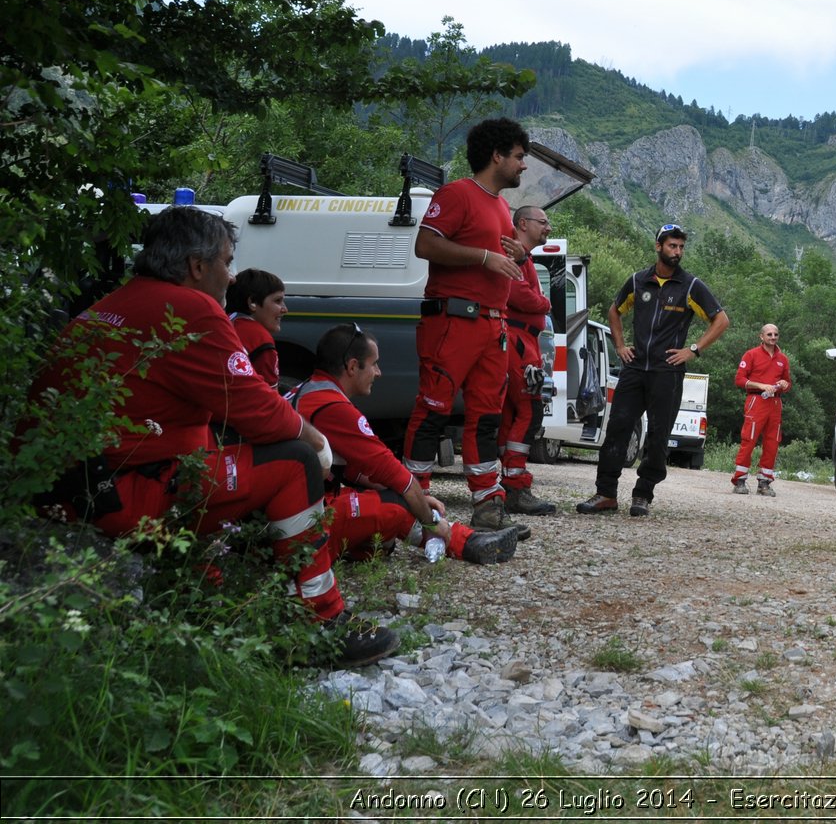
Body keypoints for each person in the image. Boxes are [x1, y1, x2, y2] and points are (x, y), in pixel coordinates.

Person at [33, 206, 396, 666]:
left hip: (69, 487)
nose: (231, 277)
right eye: (227, 262)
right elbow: (261, 412)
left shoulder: (114, 304)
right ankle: (320, 624)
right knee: (294, 461)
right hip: (120, 494)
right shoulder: (193, 308)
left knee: (210, 448)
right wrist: (316, 439)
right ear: (197, 267)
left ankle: (207, 597)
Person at [290, 324, 522, 566]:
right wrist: (425, 515)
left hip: (289, 513)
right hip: (302, 521)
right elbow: (395, 472)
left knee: (393, 502)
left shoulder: (307, 391)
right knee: (395, 507)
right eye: (374, 364)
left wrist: (415, 497)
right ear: (351, 367)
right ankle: (462, 541)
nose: (378, 372)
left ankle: (364, 547)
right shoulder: (333, 407)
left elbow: (348, 469)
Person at [403, 117, 531, 534]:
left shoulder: (501, 206)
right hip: (453, 322)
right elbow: (425, 245)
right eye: (518, 156)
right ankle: (415, 504)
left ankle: (488, 502)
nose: (523, 165)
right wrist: (483, 256)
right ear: (496, 156)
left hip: (493, 327)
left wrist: (518, 255)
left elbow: (501, 262)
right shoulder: (457, 193)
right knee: (433, 412)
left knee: (487, 417)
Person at [576, 224, 729, 517]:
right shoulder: (637, 281)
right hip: (635, 369)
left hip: (667, 372)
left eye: (681, 247)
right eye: (672, 246)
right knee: (618, 427)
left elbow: (721, 320)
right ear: (658, 246)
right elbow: (614, 311)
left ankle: (643, 495)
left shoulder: (691, 285)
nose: (678, 252)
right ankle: (605, 494)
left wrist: (693, 350)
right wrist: (620, 346)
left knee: (659, 435)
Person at [499, 204, 558, 517]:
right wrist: (544, 303)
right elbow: (520, 296)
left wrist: (539, 304)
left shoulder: (524, 257)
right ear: (523, 223)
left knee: (515, 412)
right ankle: (515, 485)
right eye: (543, 222)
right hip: (518, 342)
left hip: (525, 342)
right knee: (528, 409)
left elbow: (528, 297)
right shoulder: (512, 252)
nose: (548, 228)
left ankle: (510, 483)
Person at [731, 323, 791, 496]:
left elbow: (787, 383)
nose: (773, 337)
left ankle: (764, 482)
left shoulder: (783, 358)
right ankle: (740, 480)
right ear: (761, 337)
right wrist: (761, 385)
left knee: (773, 442)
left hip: (775, 404)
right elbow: (739, 380)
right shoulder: (751, 355)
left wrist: (783, 384)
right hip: (756, 400)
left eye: (776, 334)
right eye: (769, 334)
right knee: (749, 439)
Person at [225, 268, 288, 389]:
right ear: (252, 302)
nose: (285, 309)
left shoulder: (224, 322)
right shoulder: (260, 339)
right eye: (278, 300)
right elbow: (270, 402)